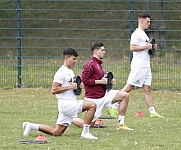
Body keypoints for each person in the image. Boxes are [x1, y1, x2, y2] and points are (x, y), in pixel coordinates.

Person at [22, 48, 98, 140]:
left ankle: (30, 126)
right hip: (66, 104)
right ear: (66, 58)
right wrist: (71, 87)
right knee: (92, 105)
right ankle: (85, 133)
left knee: (56, 132)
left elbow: (71, 86)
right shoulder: (61, 72)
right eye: (74, 59)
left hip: (68, 104)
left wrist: (78, 86)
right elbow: (54, 90)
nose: (76, 61)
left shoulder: (70, 71)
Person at [78, 42, 133, 130]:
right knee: (89, 125)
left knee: (125, 95)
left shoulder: (99, 63)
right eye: (102, 50)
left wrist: (109, 80)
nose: (104, 52)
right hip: (94, 98)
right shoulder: (90, 64)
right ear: (96, 51)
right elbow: (84, 80)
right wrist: (100, 81)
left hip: (104, 94)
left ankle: (121, 123)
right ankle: (71, 119)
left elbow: (102, 78)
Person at [121, 13, 164, 118]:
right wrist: (146, 46)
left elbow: (146, 47)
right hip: (139, 65)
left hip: (146, 66)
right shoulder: (136, 33)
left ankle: (152, 112)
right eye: (147, 21)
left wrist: (152, 47)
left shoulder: (144, 34)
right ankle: (112, 103)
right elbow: (132, 48)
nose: (149, 23)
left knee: (147, 88)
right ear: (141, 21)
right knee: (130, 86)